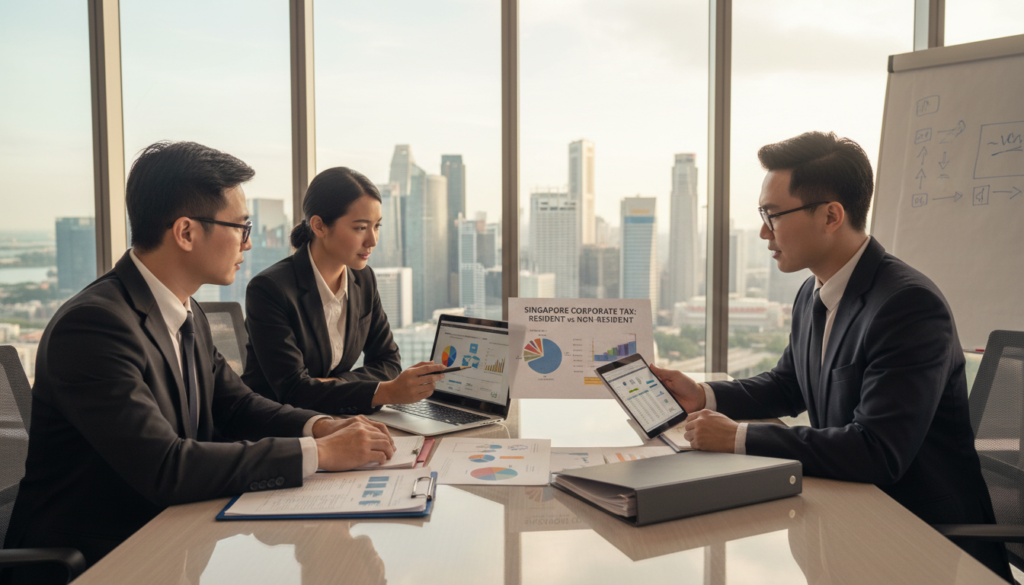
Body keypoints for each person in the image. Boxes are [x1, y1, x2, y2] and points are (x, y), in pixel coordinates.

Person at [3, 142, 396, 584]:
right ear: (186, 233)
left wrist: (321, 425)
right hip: (100, 559)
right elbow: (165, 466)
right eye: (241, 227)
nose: (248, 242)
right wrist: (319, 453)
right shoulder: (95, 326)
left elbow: (237, 405)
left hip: (173, 541)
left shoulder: (187, 311)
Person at [651, 131, 1012, 581]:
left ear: (831, 215)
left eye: (773, 215)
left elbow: (877, 451)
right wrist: (703, 395)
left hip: (923, 540)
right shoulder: (813, 290)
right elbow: (789, 384)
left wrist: (738, 438)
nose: (764, 231)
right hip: (851, 516)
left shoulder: (908, 306)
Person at [241, 167, 445, 415]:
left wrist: (333, 385)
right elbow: (294, 391)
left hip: (339, 416)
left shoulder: (363, 279)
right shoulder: (271, 289)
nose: (373, 240)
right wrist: (385, 391)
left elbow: (389, 363)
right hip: (278, 428)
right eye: (360, 228)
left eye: (377, 226)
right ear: (319, 226)